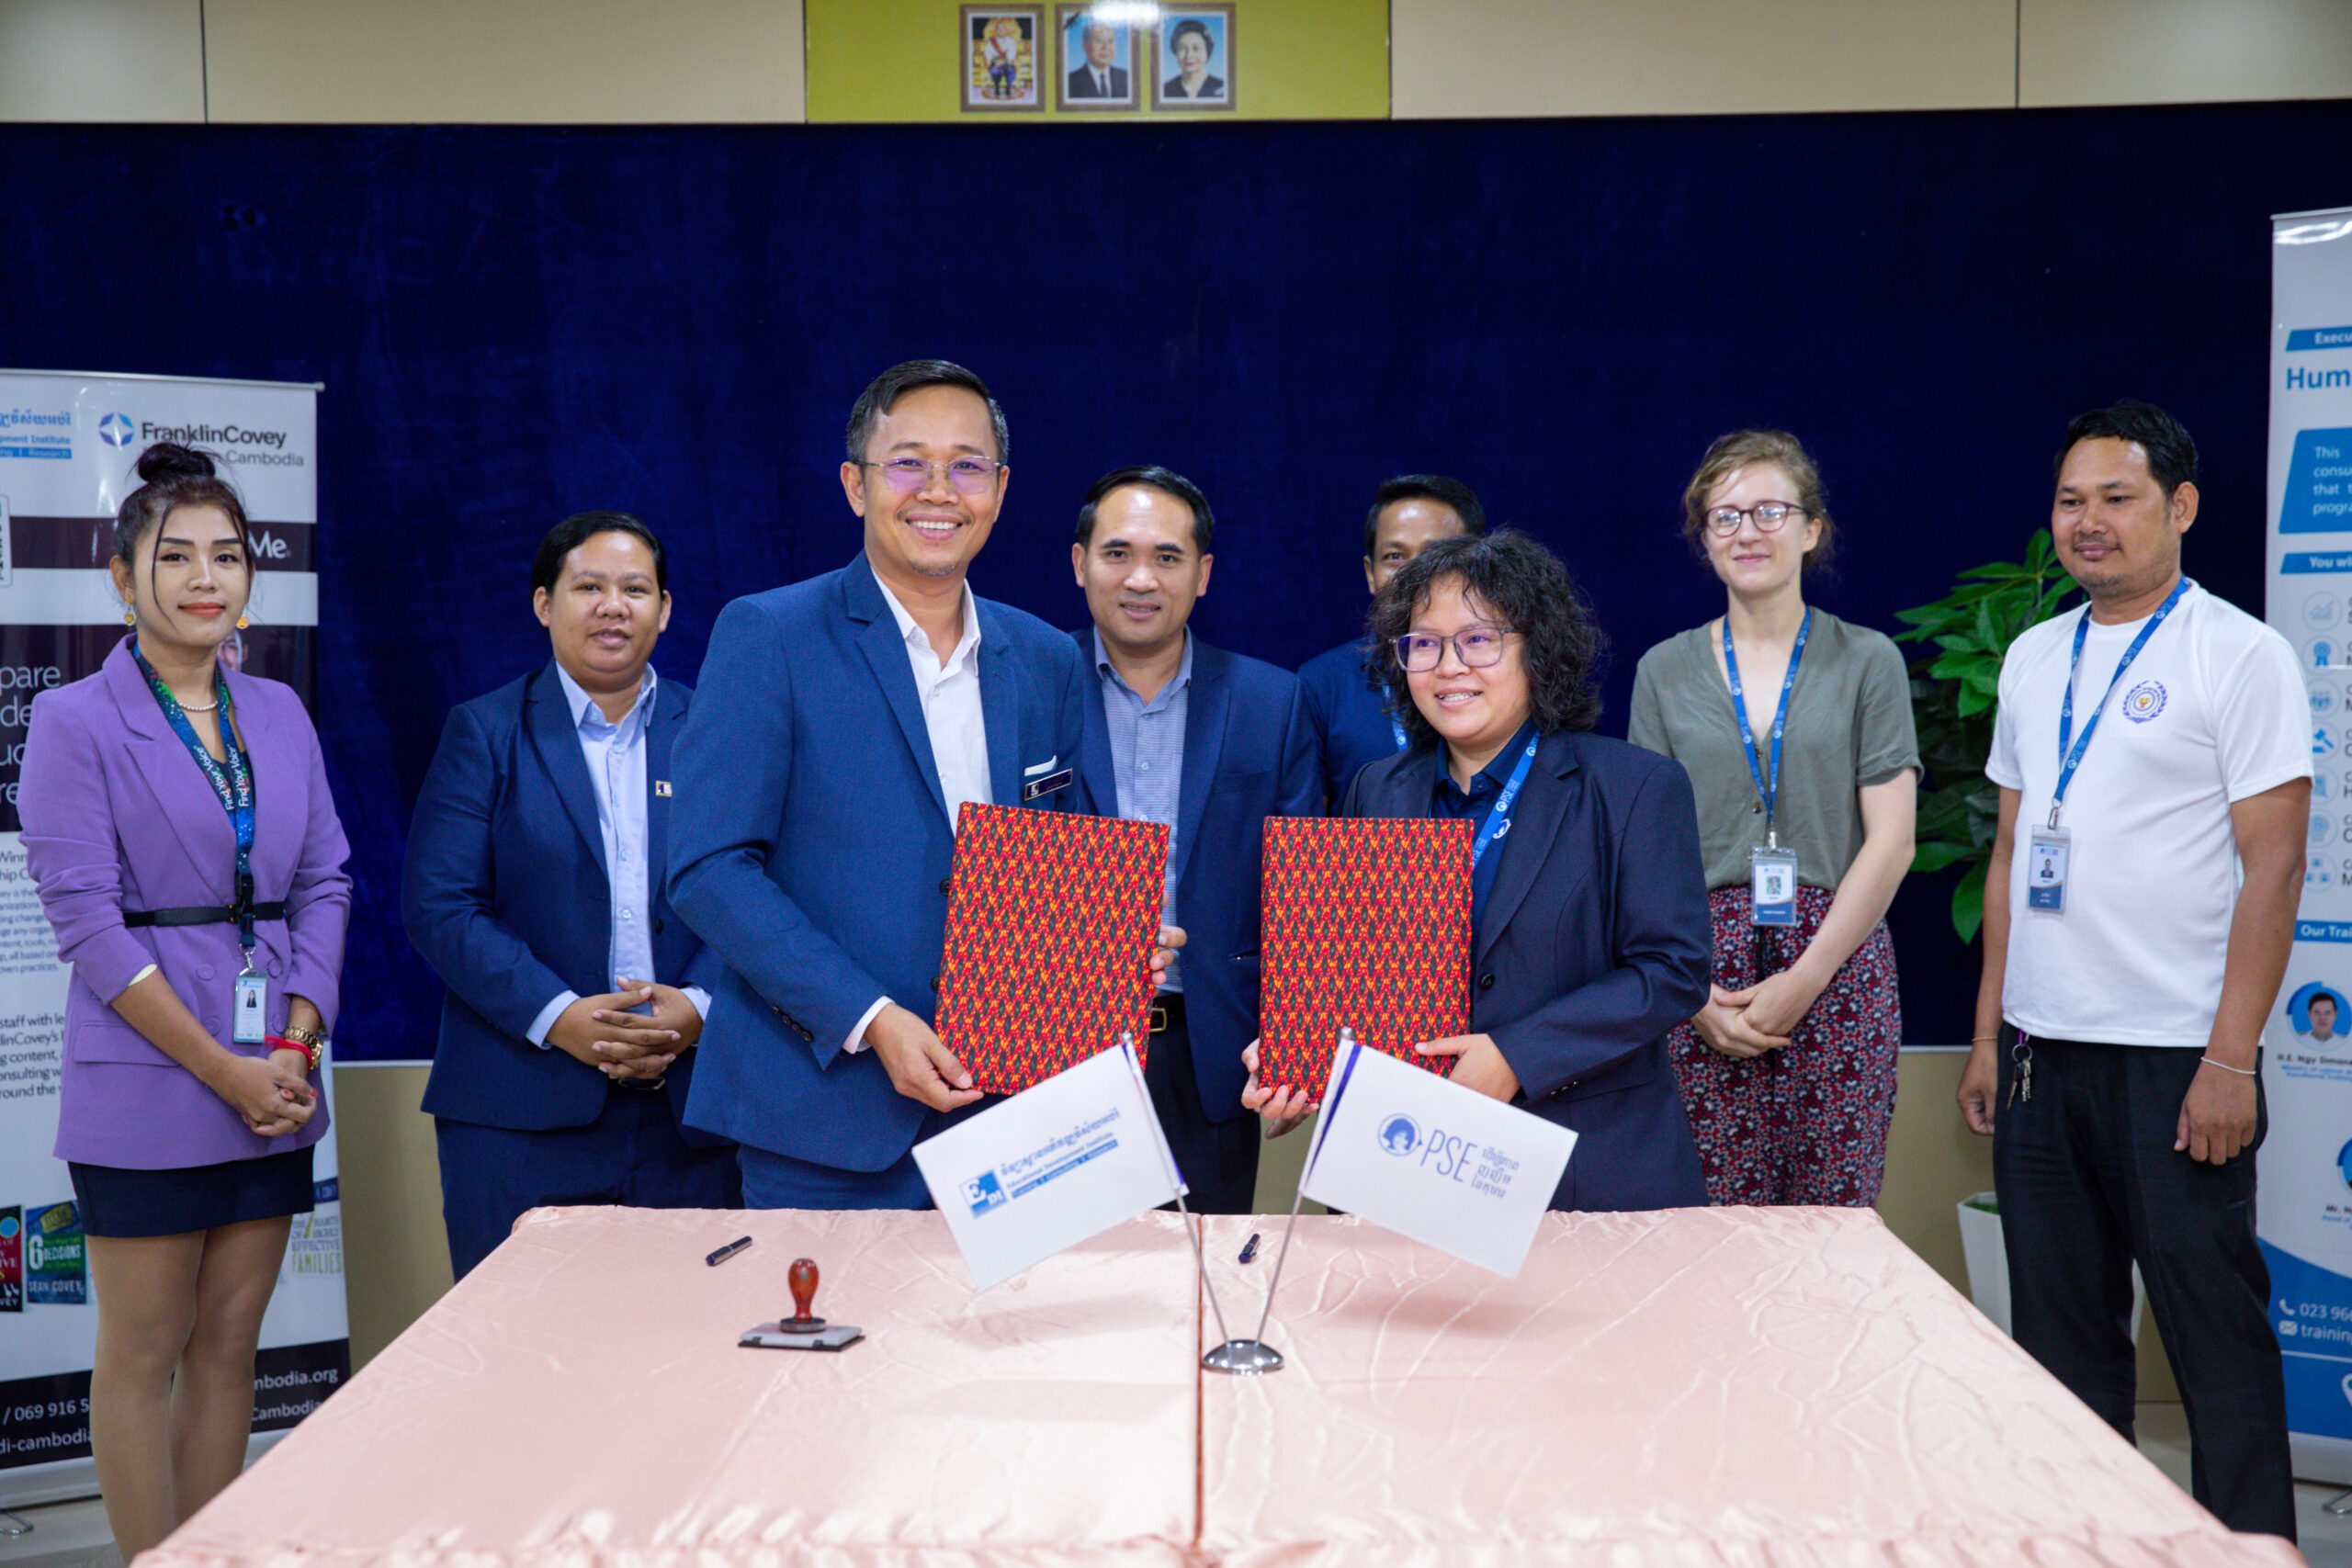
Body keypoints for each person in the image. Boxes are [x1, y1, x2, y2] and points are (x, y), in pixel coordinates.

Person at [666, 360, 1176, 1208]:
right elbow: (708, 868)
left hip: (1014, 1125)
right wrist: (869, 1018)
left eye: (967, 466)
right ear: (855, 485)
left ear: (1000, 490)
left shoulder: (1046, 656)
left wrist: (1110, 941)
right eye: (908, 462)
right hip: (824, 1122)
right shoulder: (770, 634)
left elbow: (1057, 860)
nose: (939, 490)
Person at [1958, 400, 2308, 1540]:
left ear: (2181, 506)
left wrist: (2229, 1060)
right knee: (2060, 1348)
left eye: (2117, 497)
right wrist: (1987, 1037)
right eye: (2070, 501)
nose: (2088, 522)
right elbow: (2010, 854)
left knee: (2216, 1339)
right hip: (2040, 1061)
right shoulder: (2032, 657)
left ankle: (2249, 1551)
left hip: (2176, 1063)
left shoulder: (2238, 653)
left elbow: (2274, 866)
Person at [20, 444, 349, 1559]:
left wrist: (295, 1045)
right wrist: (224, 1069)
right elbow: (86, 925)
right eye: (176, 556)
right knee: (144, 1350)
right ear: (124, 577)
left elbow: (326, 882)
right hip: (148, 1079)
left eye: (228, 554)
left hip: (279, 1075)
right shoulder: (74, 720)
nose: (207, 577)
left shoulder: (280, 711)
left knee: (228, 1348)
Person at [1245, 530, 1712, 1210]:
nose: (1449, 667)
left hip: (1580, 1166)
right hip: (1403, 1163)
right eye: (1424, 644)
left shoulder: (1635, 787)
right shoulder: (1377, 788)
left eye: (1478, 640)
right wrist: (1301, 1052)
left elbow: (1672, 971)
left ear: (1538, 649)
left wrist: (1519, 1054)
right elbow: (1351, 970)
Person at [401, 511, 739, 1280]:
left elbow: (764, 888)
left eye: (635, 589)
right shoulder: (484, 731)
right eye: (589, 587)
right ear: (543, 603)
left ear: (665, 610)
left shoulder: (718, 730)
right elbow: (440, 905)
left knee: (689, 1340)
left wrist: (697, 1006)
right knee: (521, 1343)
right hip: (521, 1115)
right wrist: (561, 1017)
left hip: (693, 1116)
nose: (613, 606)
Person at [1628, 432, 1917, 1206]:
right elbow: (1642, 855)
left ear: (1811, 528)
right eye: (1725, 516)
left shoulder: (1868, 660)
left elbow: (1893, 841)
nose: (1747, 531)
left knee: (1832, 1217)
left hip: (1837, 959)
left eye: (1769, 511)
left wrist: (1806, 978)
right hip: (1701, 973)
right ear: (1703, 538)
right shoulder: (1662, 670)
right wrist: (1692, 995)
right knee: (1709, 1227)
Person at [1067, 466, 1318, 1213]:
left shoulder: (1272, 700)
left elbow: (1301, 897)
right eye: (1117, 553)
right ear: (1079, 563)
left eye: (1168, 557)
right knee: (1063, 1273)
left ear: (1203, 574)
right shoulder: (1029, 683)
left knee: (1203, 1271)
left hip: (1209, 1051)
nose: (1141, 578)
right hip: (1060, 1050)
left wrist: (1296, 1045)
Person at [1297, 475, 1486, 808]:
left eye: (1436, 554)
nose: (1413, 573)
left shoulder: (1503, 669)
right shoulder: (1320, 684)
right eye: (1395, 556)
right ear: (1370, 573)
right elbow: (1309, 825)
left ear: (1482, 565)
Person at [1160, 17, 1226, 101]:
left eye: (1196, 48)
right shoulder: (1165, 90)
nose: (1189, 55)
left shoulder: (1222, 88)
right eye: (1182, 48)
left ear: (1207, 51)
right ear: (1175, 51)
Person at [1065, 18, 1129, 98]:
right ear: (1085, 46)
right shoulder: (1070, 82)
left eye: (1110, 41)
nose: (1106, 47)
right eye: (1099, 41)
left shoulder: (1126, 78)